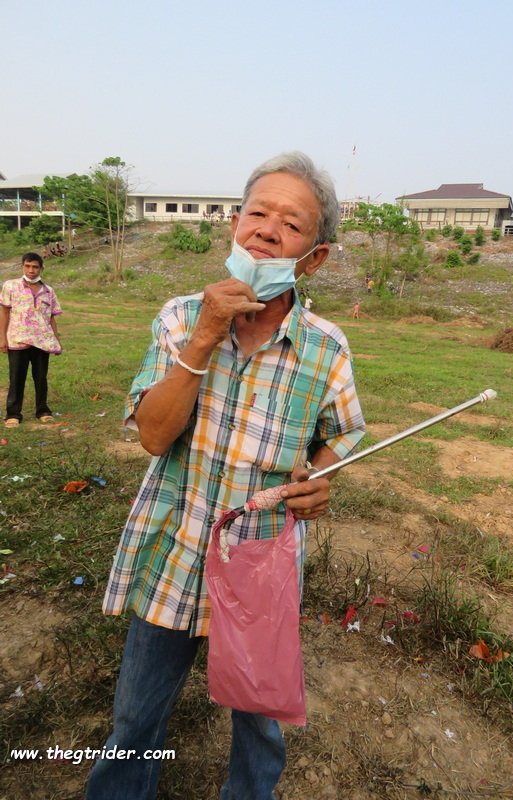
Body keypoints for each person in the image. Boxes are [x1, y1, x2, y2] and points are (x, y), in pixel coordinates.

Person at [86, 152, 365, 800]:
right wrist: (206, 336)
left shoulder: (326, 348)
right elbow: (154, 435)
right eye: (257, 213)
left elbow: (343, 433)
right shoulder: (181, 319)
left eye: (291, 225)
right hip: (174, 549)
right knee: (135, 715)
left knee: (258, 722)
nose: (267, 230)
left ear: (314, 258)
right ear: (234, 225)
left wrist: (320, 477)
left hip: (259, 568)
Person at [0, 252, 62, 428]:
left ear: (41, 269)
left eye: (35, 267)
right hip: (18, 340)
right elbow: (4, 312)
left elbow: (51, 318)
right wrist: (2, 338)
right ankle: (13, 414)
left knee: (41, 377)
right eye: (27, 266)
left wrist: (56, 341)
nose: (31, 270)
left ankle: (43, 411)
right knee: (17, 377)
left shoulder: (48, 291)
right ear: (22, 267)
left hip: (42, 341)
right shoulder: (11, 286)